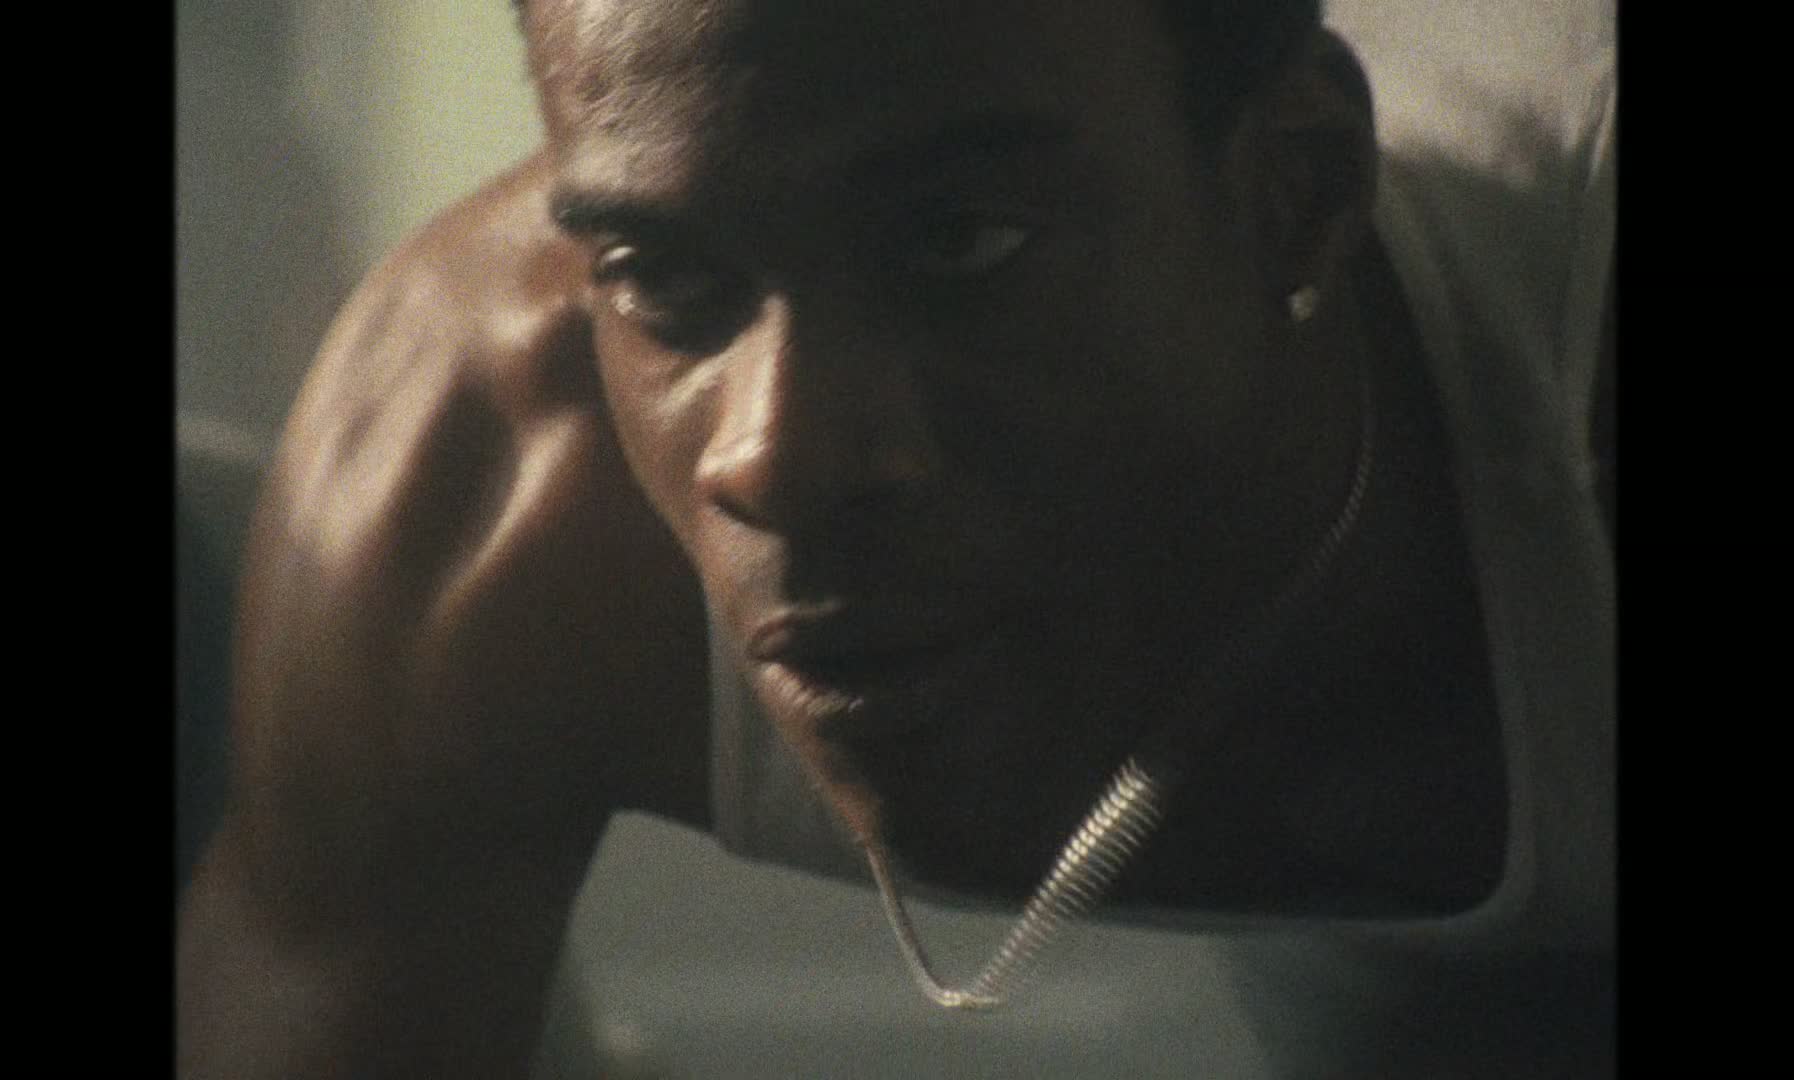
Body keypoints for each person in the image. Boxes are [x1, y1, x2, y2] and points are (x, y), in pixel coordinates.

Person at [176, 0, 1615, 1075]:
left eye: (958, 244)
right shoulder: (493, 478)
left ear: (1297, 192)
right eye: (662, 277)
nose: (777, 461)